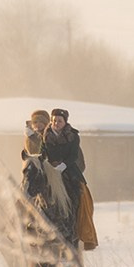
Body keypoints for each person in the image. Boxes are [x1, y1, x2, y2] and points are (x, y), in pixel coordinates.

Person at [45, 107, 97, 252]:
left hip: (68, 170)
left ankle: (81, 229)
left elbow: (74, 155)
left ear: (65, 122)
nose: (56, 123)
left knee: (80, 194)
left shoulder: (73, 136)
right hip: (49, 169)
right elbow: (42, 152)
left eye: (59, 121)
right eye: (54, 120)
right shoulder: (45, 135)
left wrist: (63, 165)